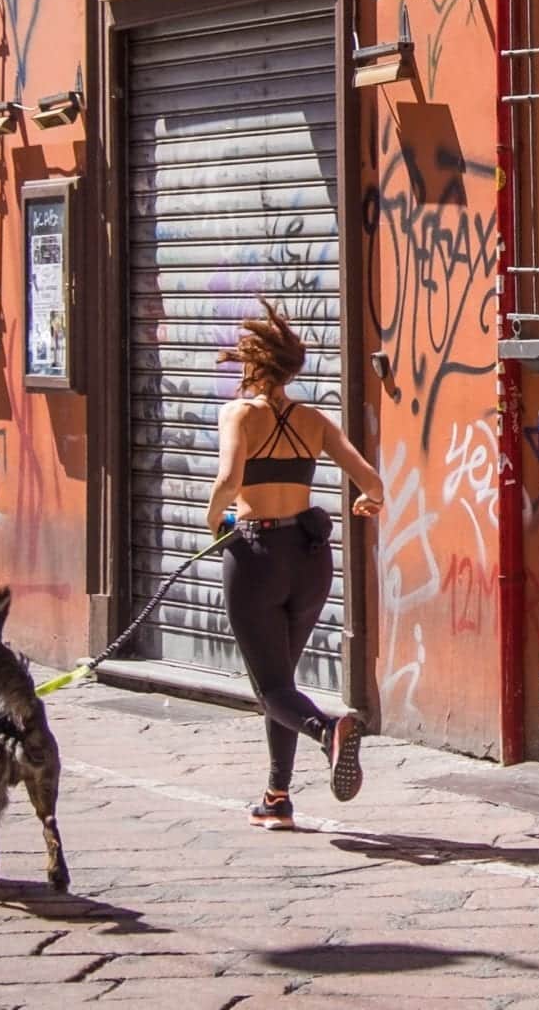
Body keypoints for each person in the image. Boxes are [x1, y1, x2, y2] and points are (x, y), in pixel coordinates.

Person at [204, 299, 385, 832]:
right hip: (309, 560)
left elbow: (228, 480)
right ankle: (277, 797)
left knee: (271, 689)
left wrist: (214, 521)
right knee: (282, 679)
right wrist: (367, 501)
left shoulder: (238, 414)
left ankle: (328, 730)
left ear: (255, 365)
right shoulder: (313, 420)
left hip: (256, 553)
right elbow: (370, 480)